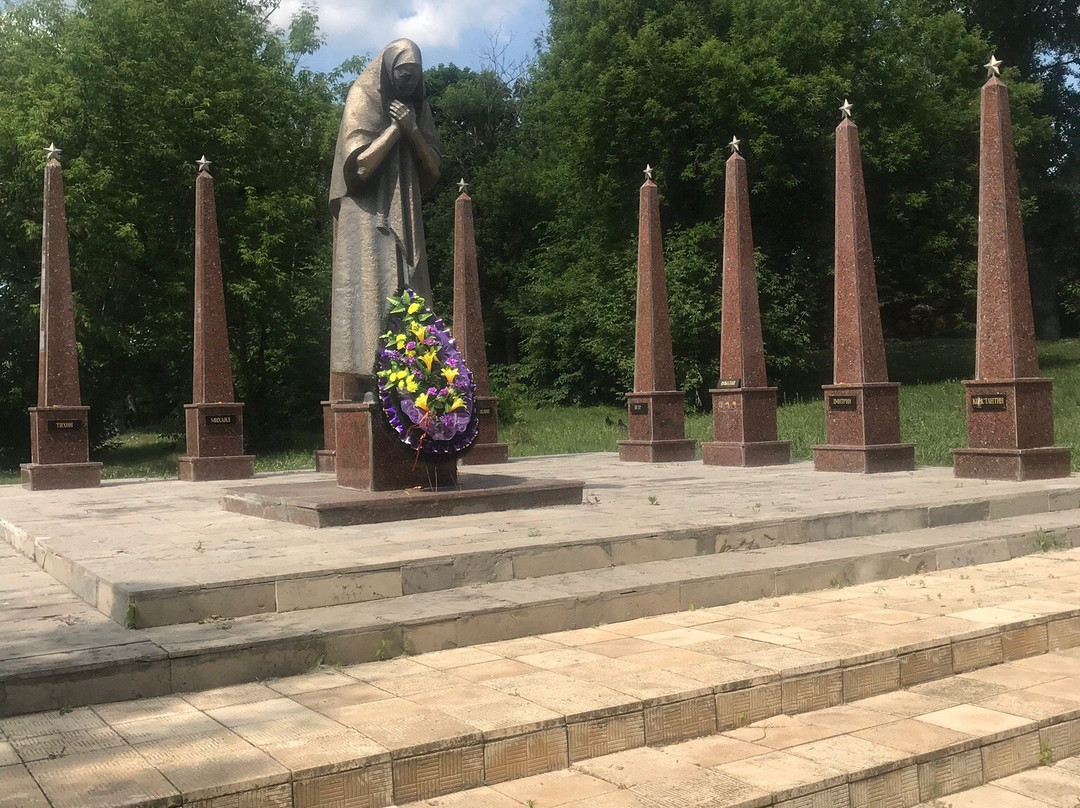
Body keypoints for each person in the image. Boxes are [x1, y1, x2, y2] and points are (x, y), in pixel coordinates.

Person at [329, 38, 442, 401]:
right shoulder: (362, 97)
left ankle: (410, 374)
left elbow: (435, 167)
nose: (408, 83)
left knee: (408, 284)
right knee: (371, 287)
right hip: (365, 215)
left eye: (415, 76)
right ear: (387, 70)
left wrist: (411, 128)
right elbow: (359, 165)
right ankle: (373, 380)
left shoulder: (417, 107)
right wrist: (396, 129)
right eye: (403, 74)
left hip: (405, 209)